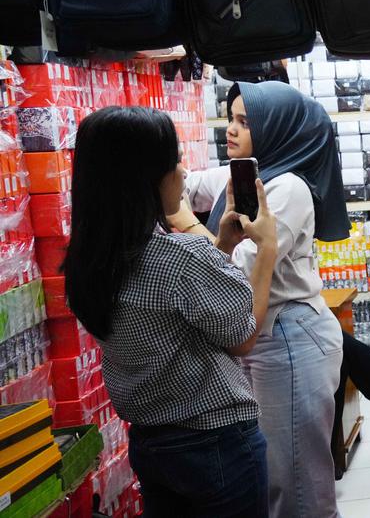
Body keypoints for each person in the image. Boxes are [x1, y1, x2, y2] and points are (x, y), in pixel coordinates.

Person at [166, 81, 370, 517]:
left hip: (288, 339)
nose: (230, 129)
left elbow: (239, 271)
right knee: (278, 480)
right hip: (268, 336)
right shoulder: (247, 176)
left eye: (245, 122)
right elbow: (188, 185)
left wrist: (183, 219)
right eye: (231, 118)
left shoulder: (288, 189)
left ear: (276, 129)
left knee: (297, 487)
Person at [64, 107, 277, 517]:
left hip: (152, 445)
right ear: (143, 179)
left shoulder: (90, 261)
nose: (182, 173)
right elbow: (243, 336)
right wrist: (266, 250)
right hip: (216, 443)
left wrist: (224, 248)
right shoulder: (180, 256)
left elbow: (173, 314)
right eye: (173, 162)